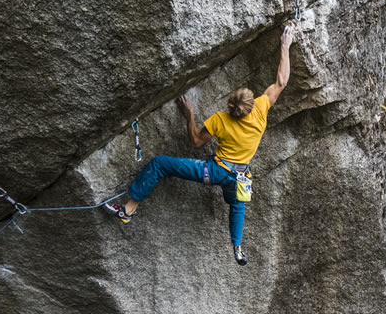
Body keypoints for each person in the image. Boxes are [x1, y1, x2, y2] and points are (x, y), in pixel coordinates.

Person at [104, 22, 295, 265]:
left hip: (215, 172)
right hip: (240, 175)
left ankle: (129, 209)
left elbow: (195, 141)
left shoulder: (220, 120)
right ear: (250, 104)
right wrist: (285, 45)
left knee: (160, 164)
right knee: (238, 205)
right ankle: (237, 247)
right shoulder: (260, 109)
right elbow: (281, 81)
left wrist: (190, 115)